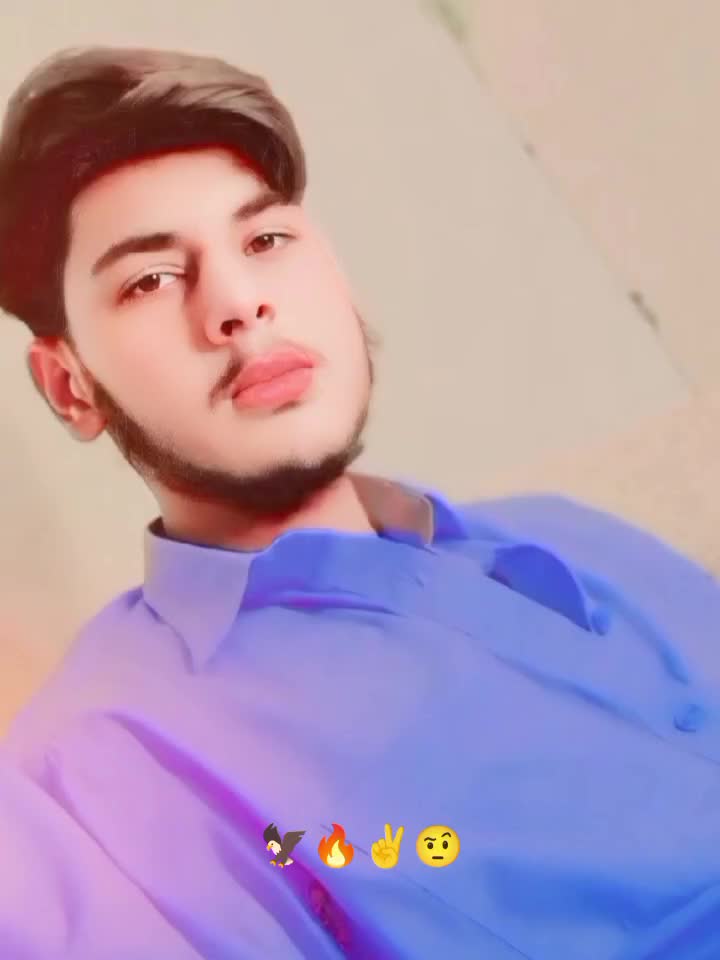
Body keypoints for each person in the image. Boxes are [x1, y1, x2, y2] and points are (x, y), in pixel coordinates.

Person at [0, 44, 717, 960]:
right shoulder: (94, 771)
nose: (240, 303)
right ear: (70, 387)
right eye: (150, 279)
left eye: (265, 241)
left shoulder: (576, 536)